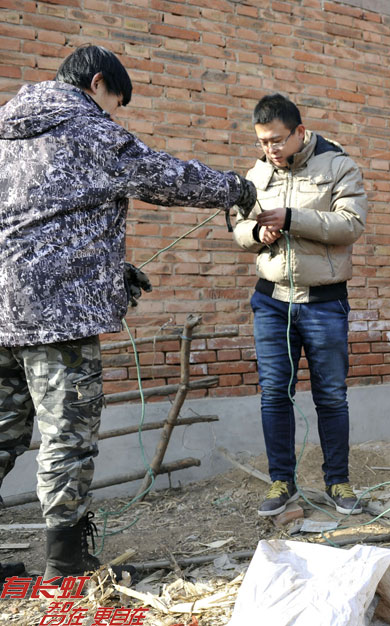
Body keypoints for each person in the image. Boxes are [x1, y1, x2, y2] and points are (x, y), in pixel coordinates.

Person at [0, 45, 256, 581]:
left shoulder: (6, 132)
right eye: (116, 103)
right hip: (56, 318)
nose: (114, 115)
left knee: (2, 431)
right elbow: (166, 178)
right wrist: (236, 186)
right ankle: (67, 564)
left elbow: (39, 222)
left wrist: (106, 272)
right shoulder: (85, 127)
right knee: (66, 434)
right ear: (98, 84)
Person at [233, 94, 368, 517]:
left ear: (300, 133)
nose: (269, 149)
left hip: (324, 303)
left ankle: (338, 481)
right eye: (262, 142)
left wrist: (291, 219)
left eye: (276, 140)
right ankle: (281, 481)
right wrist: (258, 234)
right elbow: (238, 226)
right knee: (274, 393)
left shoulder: (340, 166)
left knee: (330, 395)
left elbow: (351, 225)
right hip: (271, 301)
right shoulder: (255, 174)